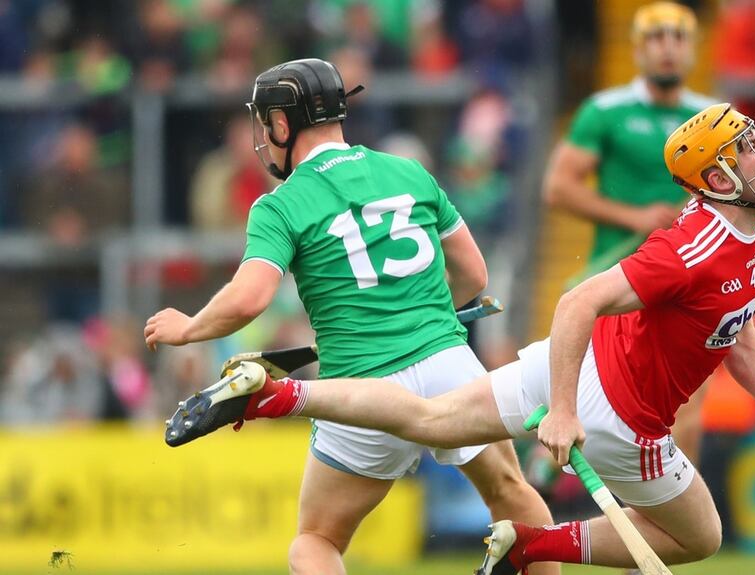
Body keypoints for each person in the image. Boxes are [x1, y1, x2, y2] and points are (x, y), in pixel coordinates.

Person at [160, 102, 755, 572]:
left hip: (566, 371)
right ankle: (532, 547)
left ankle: (277, 396)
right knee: (702, 535)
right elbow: (576, 299)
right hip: (618, 416)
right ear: (717, 180)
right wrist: (565, 411)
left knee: (427, 420)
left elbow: (731, 326)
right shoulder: (695, 246)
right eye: (746, 146)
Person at [143, 58, 555, 575]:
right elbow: (474, 274)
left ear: (282, 123)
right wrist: (423, 314)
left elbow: (250, 299)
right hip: (450, 368)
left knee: (316, 541)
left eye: (266, 121)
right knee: (510, 493)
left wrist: (188, 327)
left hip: (362, 388)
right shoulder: (408, 172)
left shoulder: (281, 204)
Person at [542, 0, 717, 473]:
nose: (668, 49)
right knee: (600, 414)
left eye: (678, 38)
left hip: (687, 280)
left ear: (693, 50)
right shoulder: (605, 110)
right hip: (620, 280)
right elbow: (557, 188)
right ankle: (548, 486)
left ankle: (682, 535)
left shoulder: (715, 118)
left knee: (689, 416)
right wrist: (635, 216)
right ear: (638, 50)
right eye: (656, 38)